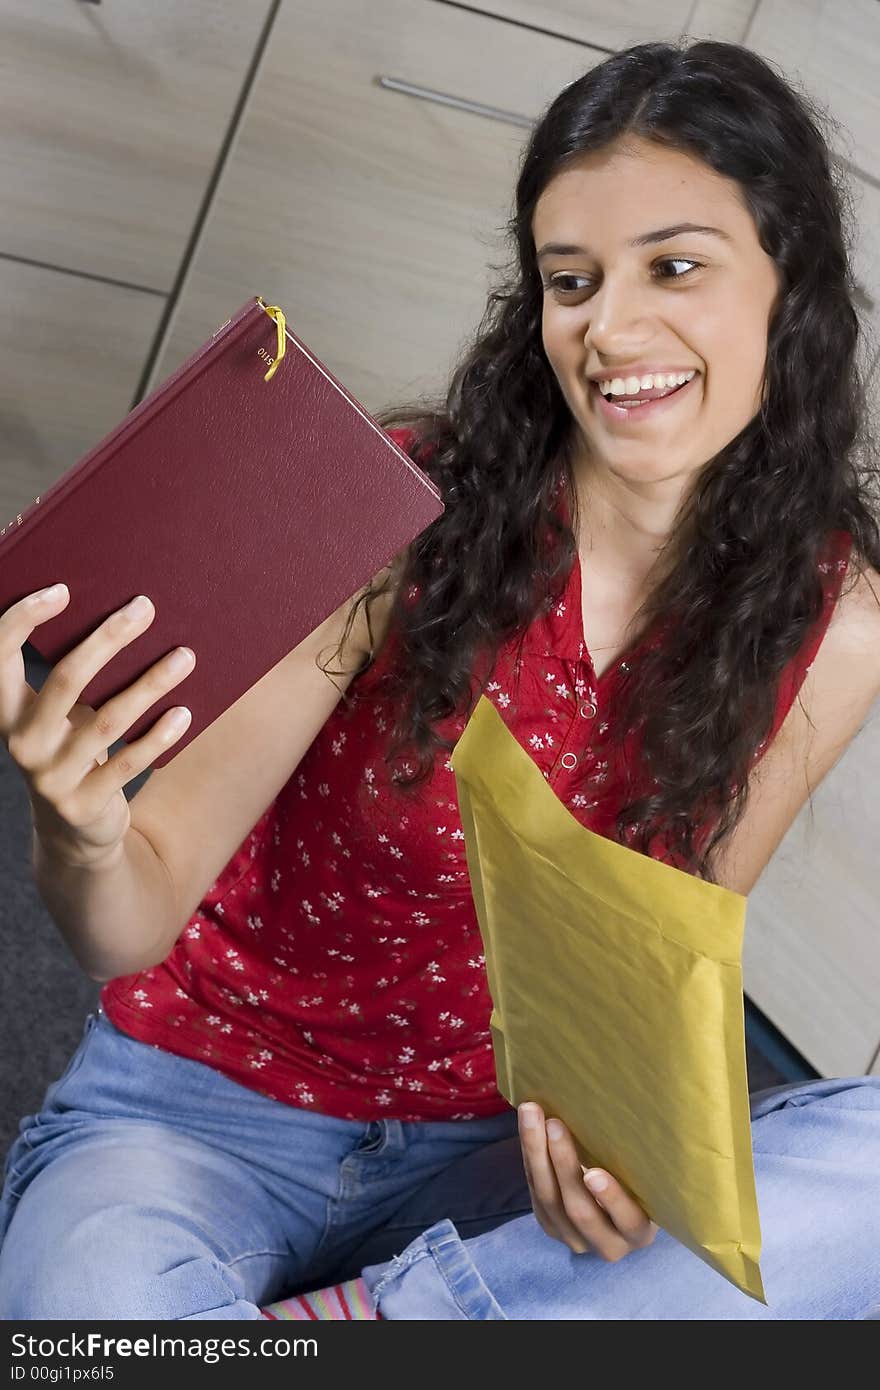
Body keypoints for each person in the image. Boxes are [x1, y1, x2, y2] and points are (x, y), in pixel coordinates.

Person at [2, 38, 879, 1322]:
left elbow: (662, 971)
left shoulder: (836, 623)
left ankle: (382, 1319)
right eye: (568, 280)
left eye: (675, 266)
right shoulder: (395, 509)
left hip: (491, 1166)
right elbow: (123, 924)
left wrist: (621, 1149)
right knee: (93, 1325)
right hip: (203, 1111)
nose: (611, 329)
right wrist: (78, 834)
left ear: (785, 279)